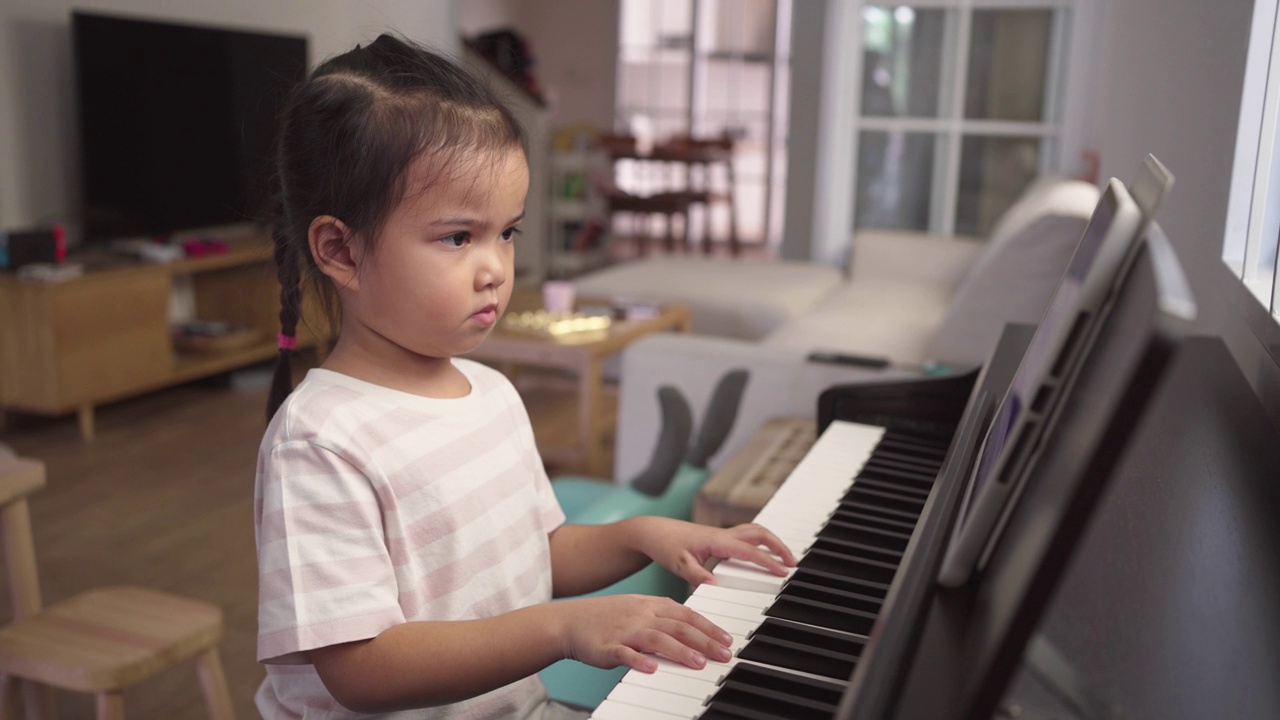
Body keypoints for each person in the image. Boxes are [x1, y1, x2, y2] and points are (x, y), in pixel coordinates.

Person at [254, 34, 796, 720]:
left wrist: (643, 534)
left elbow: (537, 554)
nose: (495, 268)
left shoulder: (492, 393)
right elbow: (360, 667)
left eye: (505, 233)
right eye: (458, 237)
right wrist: (564, 630)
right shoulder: (320, 441)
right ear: (340, 250)